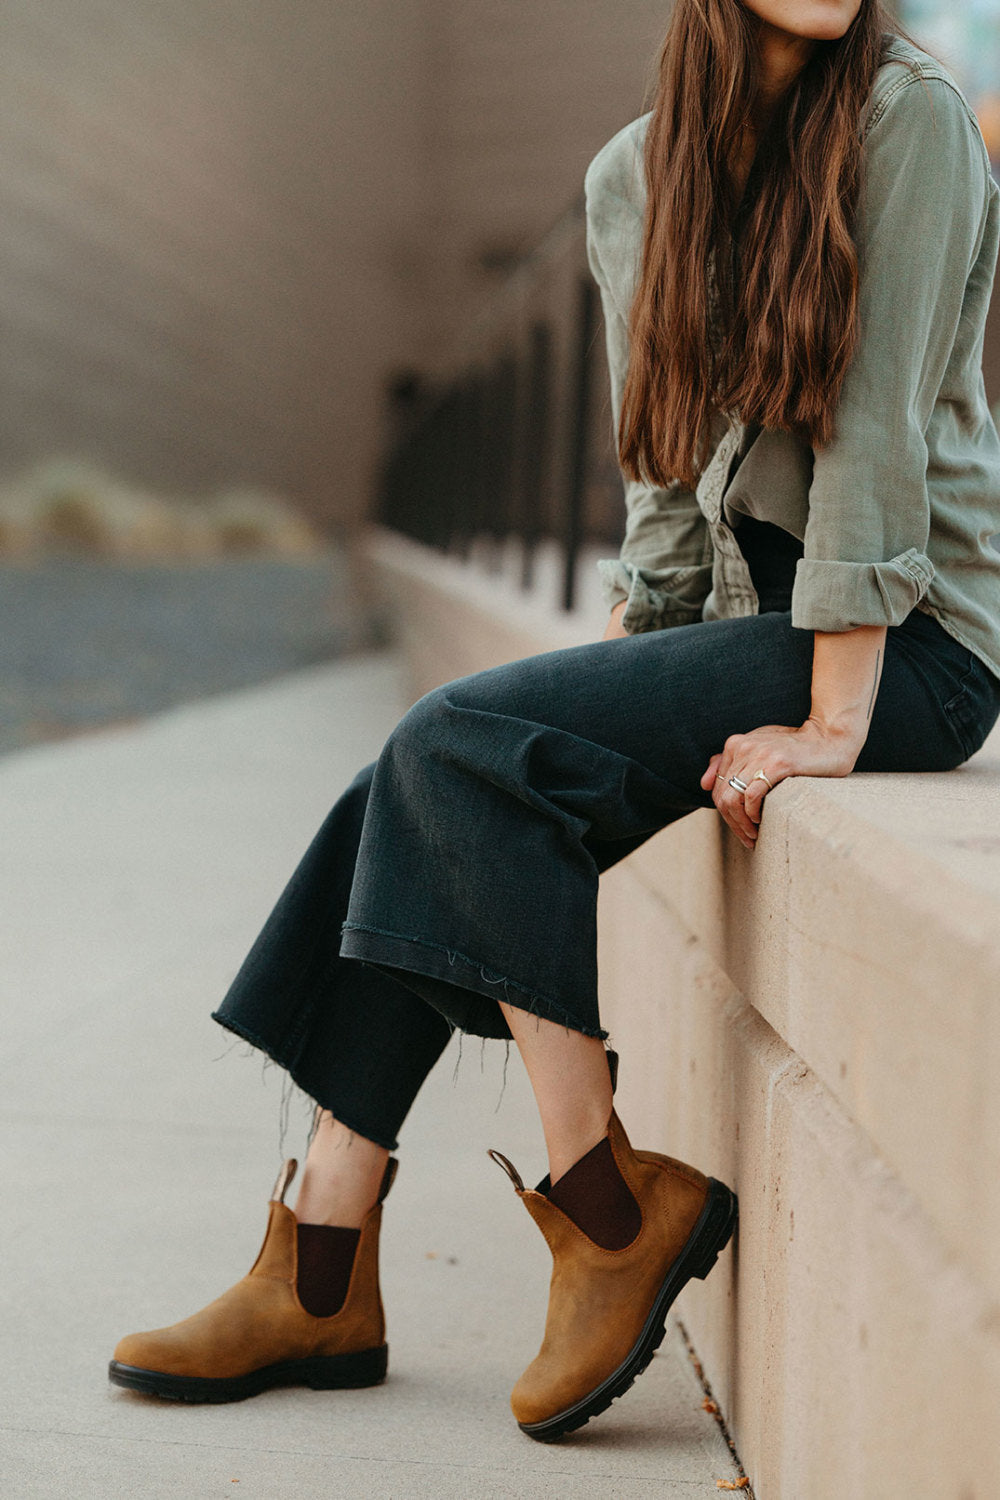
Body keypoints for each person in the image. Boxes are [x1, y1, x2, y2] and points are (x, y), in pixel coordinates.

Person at [108, 0, 1000, 1442]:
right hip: (730, 624)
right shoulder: (632, 177)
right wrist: (561, 710)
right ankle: (326, 1259)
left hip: (905, 643)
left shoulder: (910, 121)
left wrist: (839, 718)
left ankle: (589, 1208)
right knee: (444, 762)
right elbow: (660, 487)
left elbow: (876, 440)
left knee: (451, 747)